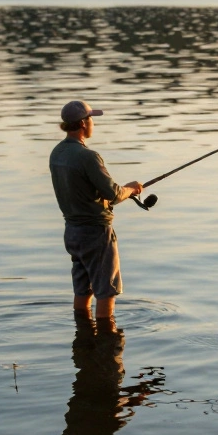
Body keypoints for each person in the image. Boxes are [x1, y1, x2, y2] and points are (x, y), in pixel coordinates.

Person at [49, 100, 144, 323]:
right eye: (91, 119)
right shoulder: (88, 157)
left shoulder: (57, 153)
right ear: (83, 123)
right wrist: (132, 189)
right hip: (95, 233)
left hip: (72, 232)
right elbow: (113, 193)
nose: (92, 123)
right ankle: (105, 343)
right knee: (106, 291)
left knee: (82, 290)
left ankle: (82, 334)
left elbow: (84, 189)